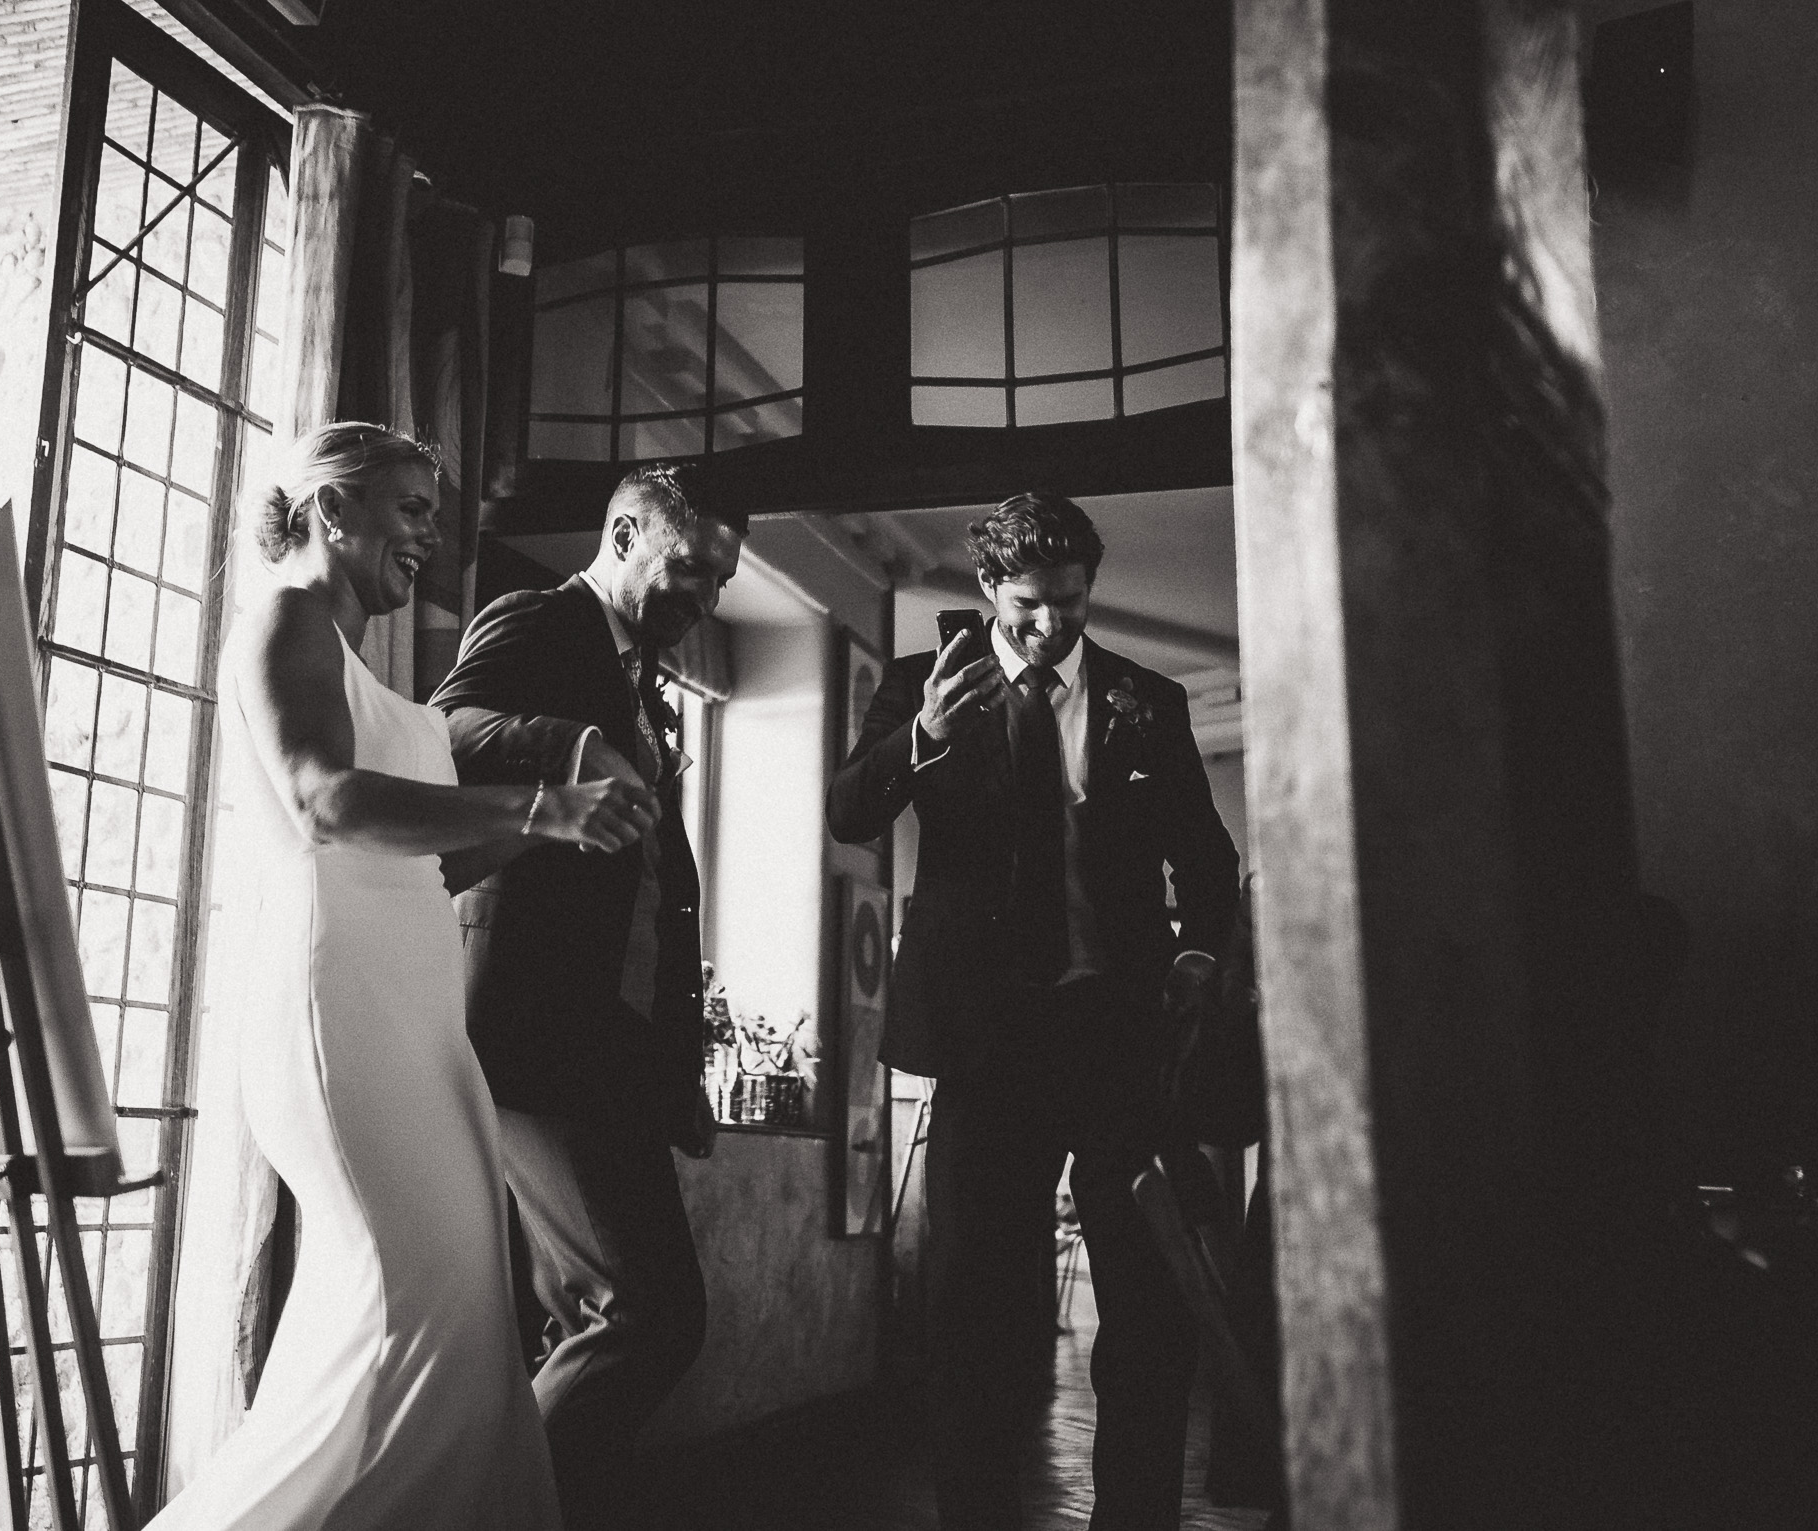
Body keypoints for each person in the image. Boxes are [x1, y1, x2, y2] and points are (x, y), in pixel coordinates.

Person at [150, 423, 656, 1531]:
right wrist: (540, 800)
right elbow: (322, 800)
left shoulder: (362, 663)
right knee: (432, 1316)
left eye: (432, 509)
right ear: (334, 511)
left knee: (419, 1331)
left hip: (414, 1021)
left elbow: (436, 863)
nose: (431, 533)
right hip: (341, 1020)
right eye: (411, 506)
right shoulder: (286, 619)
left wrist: (559, 831)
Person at [826, 491, 1242, 1530]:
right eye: (1028, 604)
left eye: (1070, 600)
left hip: (1121, 1048)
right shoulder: (924, 688)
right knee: (974, 1319)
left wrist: (1194, 958)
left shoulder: (1147, 697)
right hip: (986, 1052)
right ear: (986, 589)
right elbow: (846, 810)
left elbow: (1204, 856)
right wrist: (918, 735)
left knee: (1147, 1315)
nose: (1051, 623)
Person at [430, 462, 749, 1529]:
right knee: (648, 1313)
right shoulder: (539, 620)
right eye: (691, 569)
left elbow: (661, 892)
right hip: (532, 1022)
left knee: (579, 1317)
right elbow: (445, 729)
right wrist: (566, 745)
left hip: (610, 1044)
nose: (705, 597)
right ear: (622, 533)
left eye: (720, 581)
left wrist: (675, 1067)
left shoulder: (649, 679)